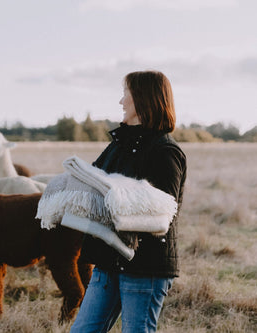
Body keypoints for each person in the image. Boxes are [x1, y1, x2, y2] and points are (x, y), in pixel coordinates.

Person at [70, 70, 187, 333]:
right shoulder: (118, 145)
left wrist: (115, 200)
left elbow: (162, 213)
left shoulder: (166, 152)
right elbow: (94, 184)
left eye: (126, 94)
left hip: (146, 266)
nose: (121, 101)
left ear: (144, 99)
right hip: (107, 260)